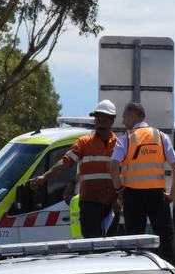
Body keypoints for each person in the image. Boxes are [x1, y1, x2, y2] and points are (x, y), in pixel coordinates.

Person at [30, 100, 119, 238]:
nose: (100, 122)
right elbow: (65, 163)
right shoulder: (84, 142)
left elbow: (124, 173)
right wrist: (44, 177)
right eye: (98, 118)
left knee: (110, 249)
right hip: (90, 204)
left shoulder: (118, 145)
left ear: (112, 121)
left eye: (104, 119)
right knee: (93, 246)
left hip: (111, 205)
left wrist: (119, 199)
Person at [110, 102, 175, 263]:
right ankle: (168, 273)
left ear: (134, 117)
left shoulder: (126, 138)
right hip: (157, 195)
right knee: (165, 235)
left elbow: (113, 166)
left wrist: (118, 189)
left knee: (134, 239)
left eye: (125, 117)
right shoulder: (160, 136)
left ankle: (137, 272)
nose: (122, 121)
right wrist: (173, 195)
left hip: (132, 196)